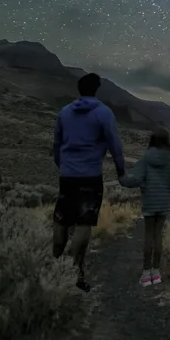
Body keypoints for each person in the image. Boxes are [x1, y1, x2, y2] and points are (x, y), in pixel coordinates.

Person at [52, 72, 125, 292]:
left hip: (67, 176)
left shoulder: (64, 112)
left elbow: (56, 144)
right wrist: (121, 172)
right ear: (96, 89)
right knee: (84, 222)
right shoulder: (103, 113)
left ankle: (55, 263)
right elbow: (115, 146)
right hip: (90, 176)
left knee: (62, 218)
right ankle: (74, 271)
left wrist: (62, 165)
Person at [118, 126, 170, 287]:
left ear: (152, 141)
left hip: (149, 202)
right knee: (158, 235)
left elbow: (135, 180)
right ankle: (156, 273)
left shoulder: (145, 159)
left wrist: (121, 178)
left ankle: (146, 274)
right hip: (164, 203)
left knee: (148, 235)